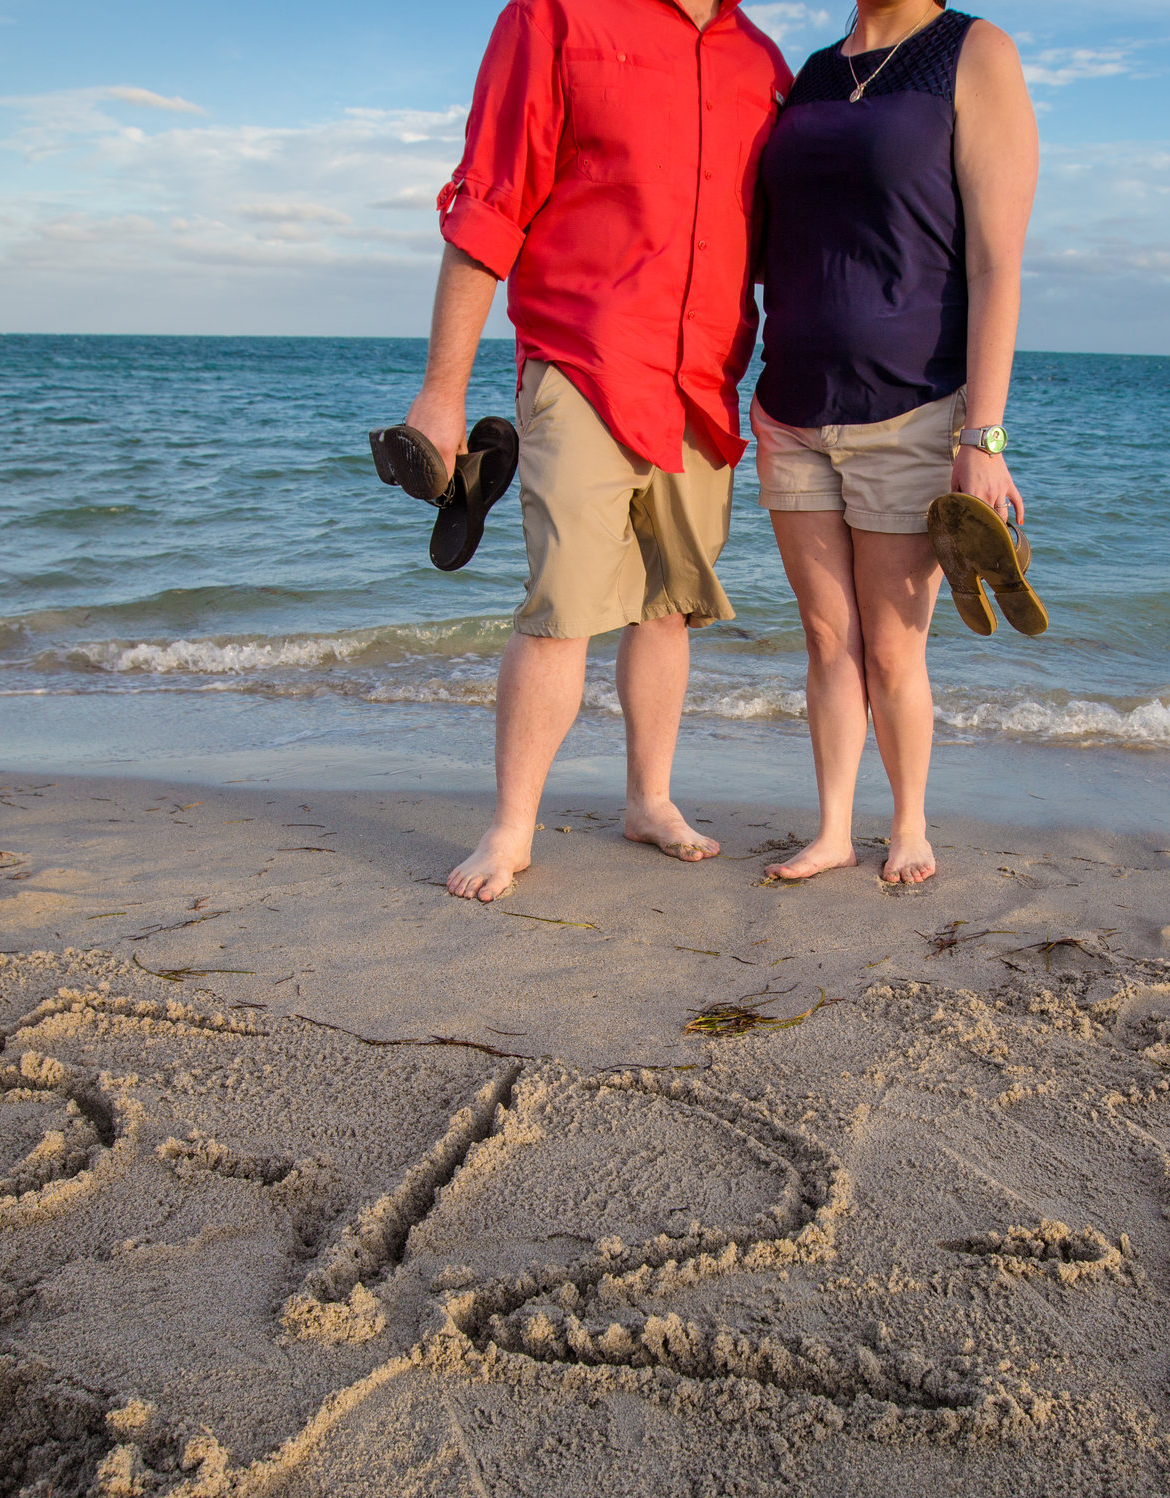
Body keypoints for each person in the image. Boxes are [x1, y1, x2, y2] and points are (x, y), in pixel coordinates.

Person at [397, 0, 793, 902]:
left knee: (668, 605)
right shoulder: (556, 16)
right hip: (583, 361)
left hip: (703, 381)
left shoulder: (760, 63)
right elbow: (489, 203)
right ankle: (512, 826)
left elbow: (772, 244)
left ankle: (648, 799)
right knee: (564, 605)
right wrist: (442, 392)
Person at [750, 1, 1039, 885]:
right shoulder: (813, 72)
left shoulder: (972, 52)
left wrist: (983, 435)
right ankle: (834, 827)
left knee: (890, 646)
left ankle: (908, 824)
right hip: (791, 405)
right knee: (825, 638)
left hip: (912, 407)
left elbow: (996, 262)